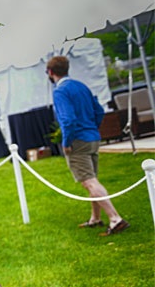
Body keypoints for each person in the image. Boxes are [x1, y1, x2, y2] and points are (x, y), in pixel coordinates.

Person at [47, 56, 129, 236]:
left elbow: (68, 120)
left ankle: (115, 219)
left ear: (51, 72)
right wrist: (92, 127)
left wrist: (66, 142)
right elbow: (99, 111)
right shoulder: (80, 86)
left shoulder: (60, 92)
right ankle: (95, 218)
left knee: (89, 182)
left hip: (78, 140)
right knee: (92, 179)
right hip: (92, 136)